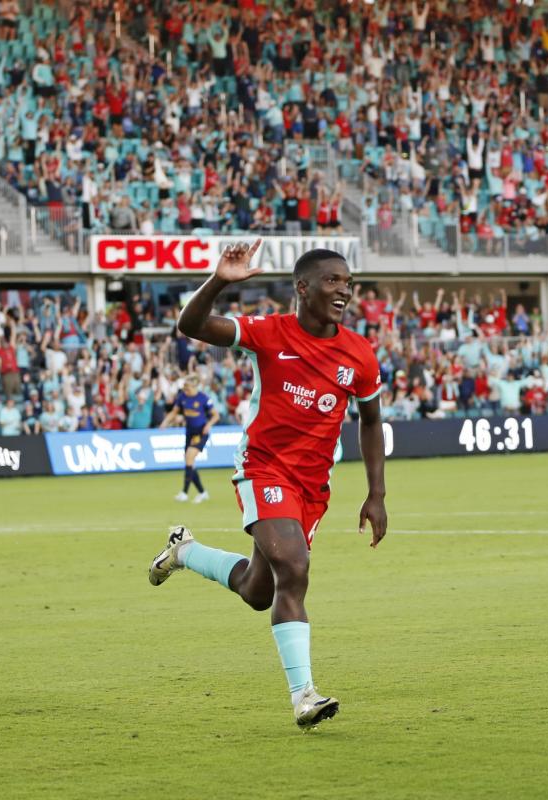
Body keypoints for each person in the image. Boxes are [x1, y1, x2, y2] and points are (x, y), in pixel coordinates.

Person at [147, 242, 387, 728]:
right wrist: (219, 281)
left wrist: (376, 493)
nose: (343, 290)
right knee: (294, 568)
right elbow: (190, 327)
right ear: (302, 288)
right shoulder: (268, 331)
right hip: (264, 467)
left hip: (312, 486)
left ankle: (185, 550)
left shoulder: (359, 354)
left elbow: (370, 420)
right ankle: (305, 696)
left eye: (348, 283)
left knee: (260, 590)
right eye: (332, 281)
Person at [160, 372, 220, 503]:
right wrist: (165, 422)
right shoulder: (182, 397)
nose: (185, 390)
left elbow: (216, 415)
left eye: (188, 387)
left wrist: (208, 425)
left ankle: (184, 493)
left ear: (195, 386)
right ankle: (202, 493)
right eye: (184, 387)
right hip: (189, 432)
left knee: (189, 458)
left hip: (200, 433)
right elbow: (174, 412)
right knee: (189, 463)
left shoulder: (203, 398)